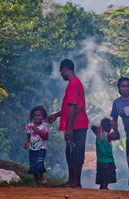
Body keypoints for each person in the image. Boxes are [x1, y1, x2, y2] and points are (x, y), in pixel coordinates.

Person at [46, 59, 89, 189]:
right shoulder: (73, 83)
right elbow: (68, 106)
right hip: (73, 125)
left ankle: (76, 183)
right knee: (70, 153)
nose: (61, 75)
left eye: (61, 72)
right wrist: (56, 115)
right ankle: (71, 181)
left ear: (65, 69)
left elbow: (74, 107)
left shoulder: (74, 83)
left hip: (77, 125)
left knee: (76, 152)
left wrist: (69, 128)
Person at [91, 117, 120, 190]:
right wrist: (115, 129)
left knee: (101, 176)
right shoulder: (108, 135)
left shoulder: (97, 134)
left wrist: (98, 128)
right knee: (107, 177)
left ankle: (101, 187)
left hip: (100, 161)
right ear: (109, 128)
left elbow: (92, 127)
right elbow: (118, 137)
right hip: (108, 160)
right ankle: (105, 188)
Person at [23, 105, 49, 185]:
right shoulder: (30, 125)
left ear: (43, 116)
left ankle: (41, 177)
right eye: (35, 115)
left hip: (41, 148)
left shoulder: (45, 126)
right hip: (32, 148)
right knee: (33, 164)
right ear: (33, 116)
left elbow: (46, 137)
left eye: (39, 115)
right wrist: (26, 143)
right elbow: (28, 136)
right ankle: (36, 180)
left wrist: (37, 131)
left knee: (40, 163)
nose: (37, 117)